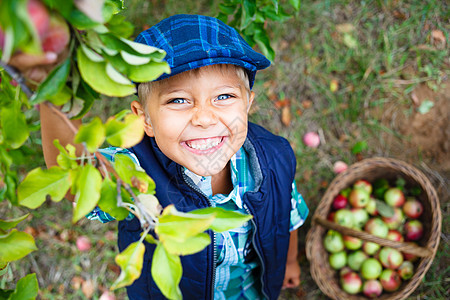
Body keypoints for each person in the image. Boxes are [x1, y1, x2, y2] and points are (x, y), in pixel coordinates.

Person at [10, 14, 308, 300]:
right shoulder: (137, 172)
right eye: (178, 100)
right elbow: (78, 178)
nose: (204, 118)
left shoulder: (274, 158)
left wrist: (290, 261)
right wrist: (53, 94)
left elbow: (286, 217)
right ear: (145, 120)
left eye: (224, 96)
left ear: (248, 103)